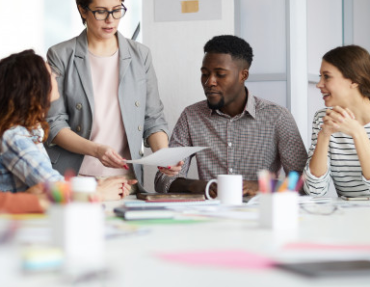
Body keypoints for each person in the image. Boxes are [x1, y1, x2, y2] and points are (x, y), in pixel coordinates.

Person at [45, 0, 180, 193]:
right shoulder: (60, 55)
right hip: (74, 180)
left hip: (125, 181)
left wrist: (164, 156)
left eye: (117, 10)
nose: (111, 20)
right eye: (101, 12)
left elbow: (152, 118)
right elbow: (54, 124)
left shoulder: (140, 55)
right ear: (82, 10)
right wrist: (97, 150)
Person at [155, 35, 307, 196]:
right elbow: (163, 181)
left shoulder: (278, 117)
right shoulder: (191, 116)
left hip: (261, 214)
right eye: (205, 74)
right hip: (210, 215)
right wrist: (203, 186)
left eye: (220, 74)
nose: (210, 82)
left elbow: (303, 183)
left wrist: (263, 186)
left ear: (243, 76)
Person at [0, 50, 135, 201]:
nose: (56, 77)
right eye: (50, 74)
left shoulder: (28, 131)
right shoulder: (14, 136)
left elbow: (51, 184)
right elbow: (54, 188)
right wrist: (101, 192)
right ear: (34, 88)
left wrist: (103, 184)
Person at [303, 45, 370, 197]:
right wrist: (324, 136)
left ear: (353, 80)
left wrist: (358, 133)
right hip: (346, 216)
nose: (319, 84)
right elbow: (314, 191)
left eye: (326, 76)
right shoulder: (324, 118)